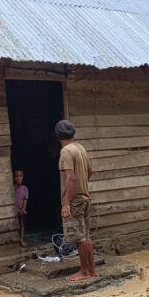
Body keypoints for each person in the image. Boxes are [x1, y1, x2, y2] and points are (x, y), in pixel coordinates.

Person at [55, 119, 96, 281]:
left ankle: (85, 272)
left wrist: (66, 203)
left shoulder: (66, 151)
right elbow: (89, 171)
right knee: (86, 236)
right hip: (85, 197)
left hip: (75, 201)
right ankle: (91, 270)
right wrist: (83, 185)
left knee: (79, 237)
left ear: (58, 136)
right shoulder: (80, 148)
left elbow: (70, 177)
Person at [14, 169, 29, 246]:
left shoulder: (24, 188)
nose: (18, 178)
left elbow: (25, 200)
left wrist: (23, 209)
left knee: (21, 224)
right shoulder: (13, 188)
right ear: (14, 177)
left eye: (20, 176)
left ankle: (21, 239)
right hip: (14, 210)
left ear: (23, 177)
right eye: (16, 176)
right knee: (16, 224)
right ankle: (16, 239)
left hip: (21, 209)